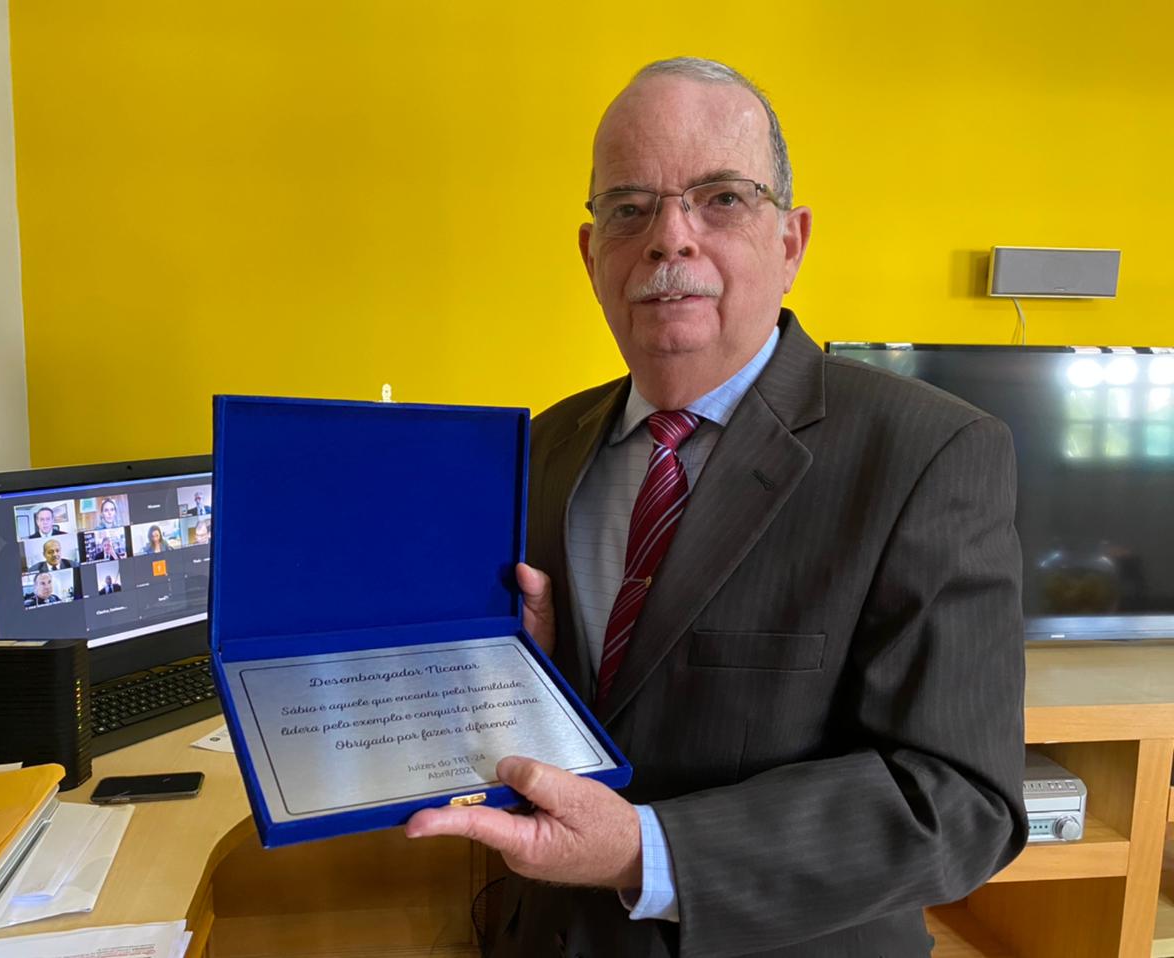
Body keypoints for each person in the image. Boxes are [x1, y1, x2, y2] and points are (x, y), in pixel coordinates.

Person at [405, 58, 1026, 957]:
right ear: (591, 255)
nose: (669, 239)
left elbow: (960, 802)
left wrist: (646, 851)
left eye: (722, 198)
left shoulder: (930, 452)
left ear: (792, 241)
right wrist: (520, 685)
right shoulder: (536, 449)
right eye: (629, 208)